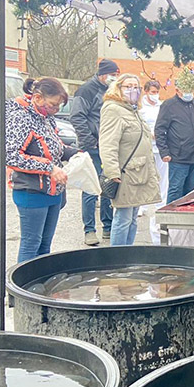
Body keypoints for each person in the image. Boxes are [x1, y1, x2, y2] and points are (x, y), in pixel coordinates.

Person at [6, 78, 76, 262]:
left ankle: (40, 286)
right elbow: (12, 156)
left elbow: (56, 148)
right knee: (31, 244)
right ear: (37, 98)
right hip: (31, 191)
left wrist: (75, 154)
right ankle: (21, 288)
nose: (55, 110)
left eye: (59, 106)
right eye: (53, 105)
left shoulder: (47, 119)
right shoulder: (19, 118)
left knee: (45, 245)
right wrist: (49, 168)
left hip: (54, 191)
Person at [99, 74, 161, 246]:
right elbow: (108, 142)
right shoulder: (113, 109)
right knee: (123, 218)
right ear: (118, 88)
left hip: (138, 172)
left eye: (136, 86)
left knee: (133, 218)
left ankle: (128, 252)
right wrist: (112, 171)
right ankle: (117, 256)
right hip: (125, 173)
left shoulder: (133, 110)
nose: (133, 90)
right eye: (128, 86)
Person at [70, 58, 120, 246]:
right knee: (90, 188)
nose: (114, 77)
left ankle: (108, 226)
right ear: (102, 74)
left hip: (108, 147)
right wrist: (90, 142)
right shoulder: (86, 90)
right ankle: (89, 230)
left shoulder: (112, 91)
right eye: (112, 74)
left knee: (107, 188)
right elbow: (77, 117)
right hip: (92, 147)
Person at [155, 72, 194, 204]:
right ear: (177, 90)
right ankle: (170, 219)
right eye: (185, 89)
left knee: (190, 191)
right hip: (178, 157)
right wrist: (164, 151)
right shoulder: (169, 105)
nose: (188, 93)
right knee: (176, 189)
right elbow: (160, 129)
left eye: (190, 89)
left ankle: (186, 218)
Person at [138, 80, 168, 244]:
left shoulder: (162, 107)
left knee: (163, 178)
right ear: (146, 91)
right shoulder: (140, 110)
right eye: (152, 91)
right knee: (145, 176)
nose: (155, 94)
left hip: (161, 147)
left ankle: (161, 202)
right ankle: (142, 205)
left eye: (157, 91)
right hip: (147, 147)